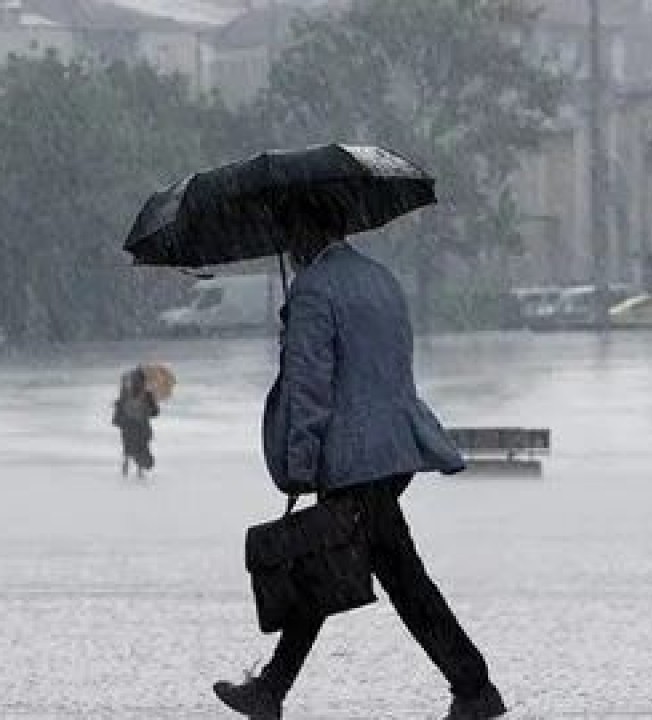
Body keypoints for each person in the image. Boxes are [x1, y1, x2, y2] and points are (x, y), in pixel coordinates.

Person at [213, 201, 506, 720]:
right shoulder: (379, 279)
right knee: (340, 565)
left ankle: (474, 685)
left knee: (389, 576)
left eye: (288, 232)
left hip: (351, 458)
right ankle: (272, 690)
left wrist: (299, 462)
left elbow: (309, 387)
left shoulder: (313, 290)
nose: (287, 245)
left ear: (306, 228)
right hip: (392, 451)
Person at [112, 367, 159, 477]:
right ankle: (140, 470)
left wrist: (119, 421)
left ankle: (126, 466)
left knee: (128, 447)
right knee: (141, 447)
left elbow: (118, 412)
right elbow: (155, 413)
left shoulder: (124, 395)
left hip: (127, 427)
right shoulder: (147, 394)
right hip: (142, 426)